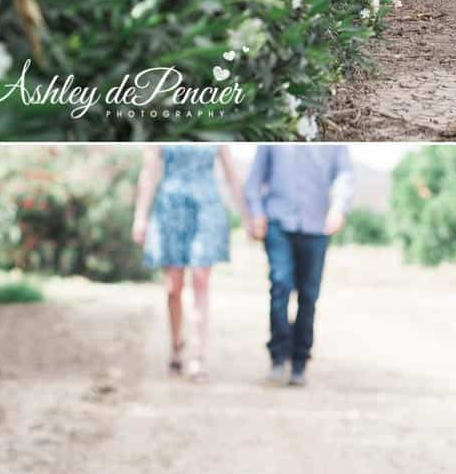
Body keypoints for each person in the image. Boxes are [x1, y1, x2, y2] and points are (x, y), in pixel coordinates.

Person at [132, 145, 248, 382]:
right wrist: (140, 216)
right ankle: (176, 345)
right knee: (173, 287)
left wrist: (246, 215)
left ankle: (197, 356)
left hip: (206, 207)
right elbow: (149, 171)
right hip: (170, 207)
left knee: (201, 279)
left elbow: (231, 174)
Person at [244, 145, 354, 387]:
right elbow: (253, 181)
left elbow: (344, 174)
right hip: (278, 222)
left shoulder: (335, 147)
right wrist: (256, 213)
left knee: (308, 296)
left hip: (317, 225)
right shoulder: (271, 142)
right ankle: (278, 357)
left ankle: (299, 362)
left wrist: (339, 208)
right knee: (280, 284)